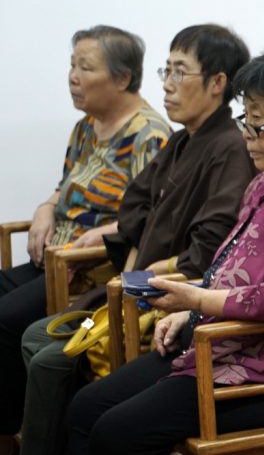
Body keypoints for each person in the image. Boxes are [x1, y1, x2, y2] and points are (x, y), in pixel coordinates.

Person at [65, 46, 264, 455]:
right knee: (85, 407)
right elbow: (233, 267)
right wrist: (192, 310)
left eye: (258, 124)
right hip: (218, 344)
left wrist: (199, 300)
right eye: (246, 120)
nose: (247, 136)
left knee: (115, 431)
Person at [16, 24, 257, 455]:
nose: (166, 84)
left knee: (50, 356)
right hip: (131, 286)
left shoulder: (229, 149)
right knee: (38, 337)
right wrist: (129, 263)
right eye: (167, 70)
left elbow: (205, 251)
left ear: (218, 83)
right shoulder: (183, 140)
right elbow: (133, 208)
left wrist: (139, 276)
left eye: (180, 72)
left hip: (163, 298)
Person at [0, 25, 170, 454]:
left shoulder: (150, 135)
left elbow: (152, 217)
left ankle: (16, 426)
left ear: (122, 78)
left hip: (91, 267)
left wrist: (101, 232)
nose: (73, 76)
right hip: (55, 256)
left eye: (85, 67)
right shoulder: (85, 128)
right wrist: (43, 209)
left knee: (5, 318)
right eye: (72, 65)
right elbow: (66, 188)